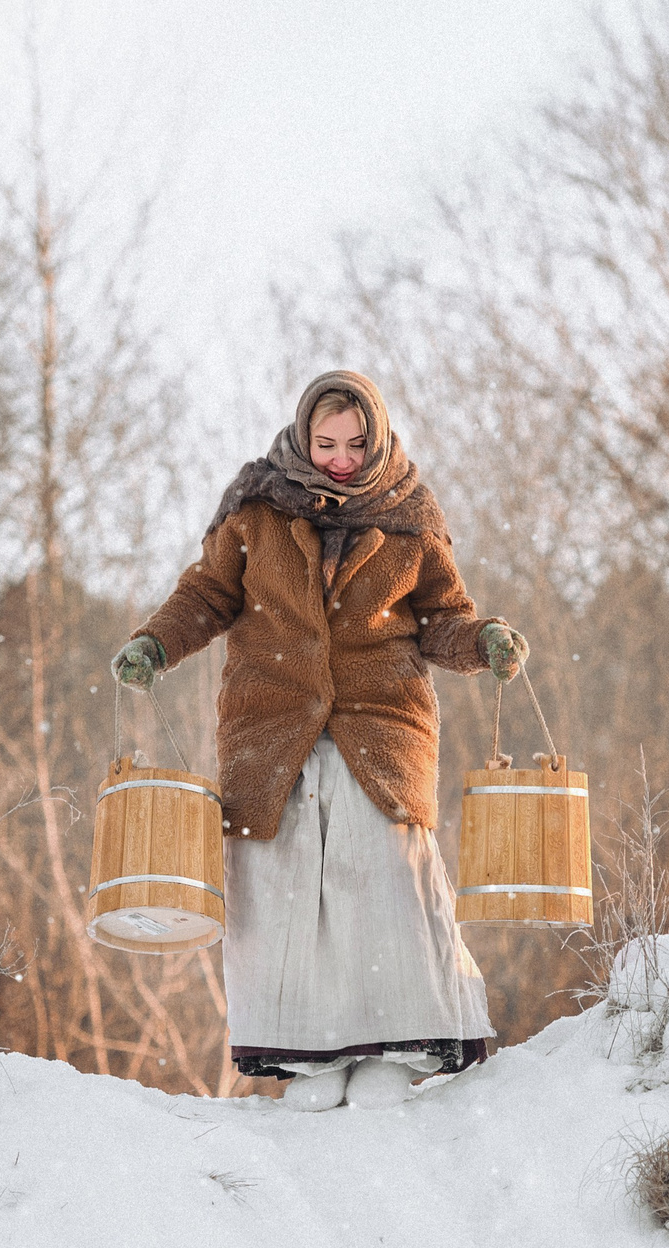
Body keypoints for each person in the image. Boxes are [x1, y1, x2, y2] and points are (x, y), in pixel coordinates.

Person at [112, 371, 528, 1111]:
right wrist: (155, 644)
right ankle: (309, 1054)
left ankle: (399, 1045)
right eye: (326, 443)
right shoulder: (256, 508)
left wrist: (483, 639)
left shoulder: (410, 517)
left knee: (385, 885)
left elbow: (444, 619)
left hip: (382, 725)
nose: (340, 459)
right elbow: (206, 596)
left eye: (356, 444)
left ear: (378, 438)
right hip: (271, 728)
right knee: (284, 890)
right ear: (304, 436)